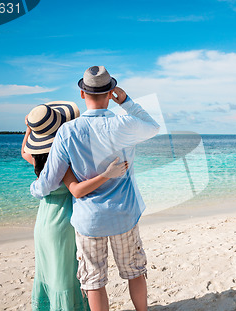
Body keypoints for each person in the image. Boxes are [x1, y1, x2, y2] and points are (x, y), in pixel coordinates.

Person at [30, 66, 160, 311]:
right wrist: (127, 102)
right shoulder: (124, 124)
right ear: (111, 92)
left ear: (82, 94)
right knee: (134, 271)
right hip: (124, 214)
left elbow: (49, 180)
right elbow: (152, 127)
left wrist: (34, 189)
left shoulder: (67, 131)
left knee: (94, 280)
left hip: (90, 219)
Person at [21, 101, 129, 311]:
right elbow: (77, 190)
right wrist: (106, 175)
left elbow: (24, 150)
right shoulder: (64, 164)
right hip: (63, 224)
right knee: (67, 275)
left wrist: (29, 130)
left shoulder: (38, 161)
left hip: (43, 223)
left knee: (49, 272)